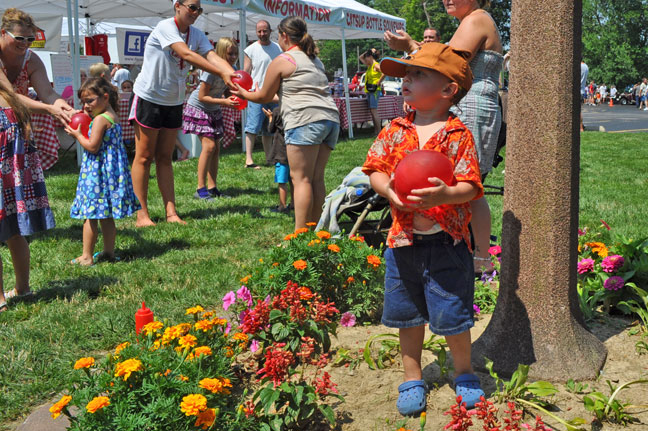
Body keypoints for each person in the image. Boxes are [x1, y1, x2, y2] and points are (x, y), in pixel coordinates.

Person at [362, 43, 484, 415]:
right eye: (405, 75)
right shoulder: (395, 129)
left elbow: (471, 185)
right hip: (402, 243)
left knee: (453, 313)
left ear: (447, 90)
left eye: (417, 74)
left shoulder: (457, 134)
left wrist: (447, 193)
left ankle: (464, 372)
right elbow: (375, 169)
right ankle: (411, 376)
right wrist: (389, 192)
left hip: (448, 243)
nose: (406, 81)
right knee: (407, 313)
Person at [385, 0, 503, 276]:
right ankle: (469, 253)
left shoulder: (475, 19)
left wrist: (411, 46)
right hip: (466, 104)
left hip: (471, 106)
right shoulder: (472, 20)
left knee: (470, 184)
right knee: (465, 183)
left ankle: (479, 259)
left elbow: (447, 65)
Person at [128, 0, 235, 227]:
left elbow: (211, 55)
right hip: (149, 97)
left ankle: (171, 213)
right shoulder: (165, 26)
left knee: (166, 157)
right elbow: (186, 54)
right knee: (144, 157)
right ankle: (142, 214)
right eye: (192, 7)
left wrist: (232, 74)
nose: (196, 13)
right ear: (178, 5)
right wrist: (221, 73)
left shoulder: (196, 33)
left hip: (174, 101)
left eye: (199, 9)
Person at [233, 16, 339, 230]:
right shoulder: (315, 59)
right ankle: (319, 234)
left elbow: (263, 95)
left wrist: (243, 93)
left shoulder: (283, 59)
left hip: (305, 120)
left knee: (301, 179)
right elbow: (283, 94)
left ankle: (300, 237)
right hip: (330, 119)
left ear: (283, 36)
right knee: (316, 179)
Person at [65, 78, 140, 265]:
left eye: (90, 100)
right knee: (106, 216)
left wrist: (78, 135)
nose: (86, 106)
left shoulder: (99, 120)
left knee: (90, 216)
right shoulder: (111, 115)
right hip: (109, 174)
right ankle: (108, 252)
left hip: (97, 176)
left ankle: (86, 256)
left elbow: (92, 147)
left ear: (105, 97)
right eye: (83, 102)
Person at [0, 81, 55, 312]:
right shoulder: (12, 101)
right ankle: (23, 288)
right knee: (14, 232)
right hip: (15, 179)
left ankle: (0, 299)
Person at [0, 8, 76, 170]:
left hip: (14, 123)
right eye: (19, 38)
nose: (25, 43)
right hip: (6, 121)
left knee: (18, 172)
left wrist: (66, 108)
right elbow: (9, 96)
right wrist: (49, 109)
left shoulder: (31, 59)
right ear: (3, 33)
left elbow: (48, 93)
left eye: (30, 39)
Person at [182, 37, 240, 200]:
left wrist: (239, 98)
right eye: (230, 54)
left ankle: (212, 187)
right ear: (221, 53)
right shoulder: (211, 70)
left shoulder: (232, 69)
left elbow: (228, 91)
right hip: (198, 108)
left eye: (235, 53)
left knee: (216, 149)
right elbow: (201, 96)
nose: (233, 57)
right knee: (208, 147)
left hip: (213, 109)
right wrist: (225, 102)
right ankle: (200, 189)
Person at [243, 20, 283, 169]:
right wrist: (245, 92)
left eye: (265, 31)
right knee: (252, 127)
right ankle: (249, 160)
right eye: (259, 31)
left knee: (270, 129)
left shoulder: (278, 48)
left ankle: (269, 158)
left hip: (274, 94)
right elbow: (246, 73)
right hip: (256, 94)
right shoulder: (250, 50)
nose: (262, 34)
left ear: (270, 31)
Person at [264, 106, 293, 213]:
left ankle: (282, 206)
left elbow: (270, 129)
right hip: (293, 151)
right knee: (293, 180)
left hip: (281, 153)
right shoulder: (293, 109)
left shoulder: (277, 110)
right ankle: (294, 203)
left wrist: (270, 117)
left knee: (282, 182)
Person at [359, 48, 385, 135]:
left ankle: (379, 131)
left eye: (367, 57)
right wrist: (368, 51)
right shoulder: (369, 65)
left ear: (370, 57)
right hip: (369, 90)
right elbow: (360, 57)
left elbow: (384, 72)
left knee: (374, 111)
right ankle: (376, 130)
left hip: (374, 91)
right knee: (372, 111)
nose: (365, 59)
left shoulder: (376, 65)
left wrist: (379, 82)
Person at [580, 59, 588, 132]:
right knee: (579, 110)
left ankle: (581, 127)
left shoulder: (579, 66)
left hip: (578, 90)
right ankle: (582, 125)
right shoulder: (586, 66)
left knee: (577, 111)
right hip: (582, 90)